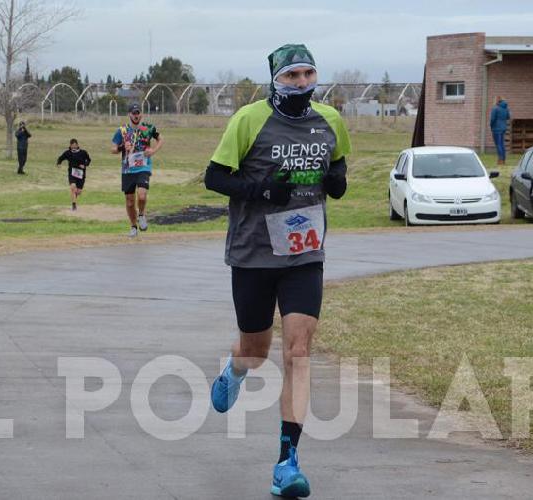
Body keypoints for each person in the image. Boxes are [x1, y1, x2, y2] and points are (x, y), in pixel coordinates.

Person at [202, 43, 350, 499]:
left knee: (299, 350)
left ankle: (287, 462)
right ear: (275, 80)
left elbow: (338, 166)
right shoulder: (248, 120)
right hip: (253, 253)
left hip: (305, 255)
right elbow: (215, 177)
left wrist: (336, 182)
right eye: (292, 76)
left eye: (308, 74)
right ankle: (236, 369)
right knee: (256, 349)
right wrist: (263, 191)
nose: (302, 83)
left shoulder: (331, 120)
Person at [110, 102, 163, 237]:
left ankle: (141, 215)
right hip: (127, 169)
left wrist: (153, 150)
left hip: (143, 167)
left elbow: (161, 139)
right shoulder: (122, 130)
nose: (136, 115)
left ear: (141, 114)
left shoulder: (149, 128)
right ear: (129, 114)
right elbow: (113, 149)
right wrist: (122, 147)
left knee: (142, 194)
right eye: (133, 113)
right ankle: (133, 226)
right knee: (129, 201)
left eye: (138, 112)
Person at [56, 138, 91, 211]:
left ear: (78, 145)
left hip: (81, 173)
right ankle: (74, 205)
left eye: (75, 145)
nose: (74, 147)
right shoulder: (68, 153)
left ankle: (74, 199)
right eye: (72, 145)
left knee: (78, 192)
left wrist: (84, 165)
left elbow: (89, 160)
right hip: (72, 173)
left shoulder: (83, 152)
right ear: (70, 145)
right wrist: (59, 163)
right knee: (73, 187)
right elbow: (61, 158)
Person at [490, 96, 511, 165]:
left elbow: (492, 119)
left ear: (496, 101)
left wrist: (491, 126)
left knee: (498, 144)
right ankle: (503, 159)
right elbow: (508, 117)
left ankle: (500, 160)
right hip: (503, 128)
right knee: (502, 144)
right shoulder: (506, 108)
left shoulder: (495, 108)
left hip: (496, 128)